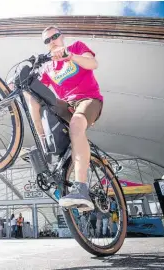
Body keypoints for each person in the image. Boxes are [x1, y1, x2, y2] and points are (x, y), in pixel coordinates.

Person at [22, 26, 103, 211]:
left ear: (62, 37)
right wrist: (20, 86)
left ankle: (81, 188)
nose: (52, 41)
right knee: (34, 96)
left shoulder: (76, 47)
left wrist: (71, 56)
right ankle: (44, 144)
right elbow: (38, 92)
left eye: (55, 37)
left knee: (76, 126)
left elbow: (93, 64)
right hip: (67, 105)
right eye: (47, 40)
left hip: (88, 100)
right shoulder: (49, 66)